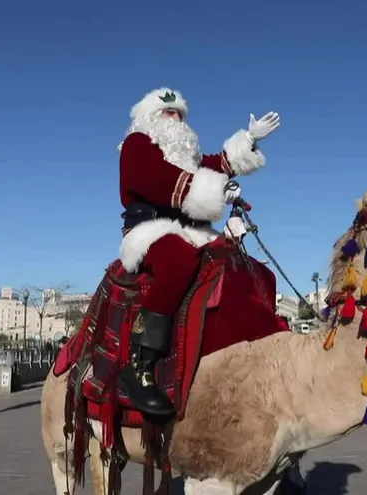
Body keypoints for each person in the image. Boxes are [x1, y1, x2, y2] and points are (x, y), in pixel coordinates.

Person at [116, 87, 280, 417]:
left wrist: (248, 138)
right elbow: (155, 180)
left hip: (193, 230)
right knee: (176, 263)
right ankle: (140, 366)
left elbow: (214, 164)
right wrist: (216, 188)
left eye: (180, 114)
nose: (176, 119)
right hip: (152, 228)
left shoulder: (185, 154)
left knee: (251, 270)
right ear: (149, 118)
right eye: (168, 113)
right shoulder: (137, 145)